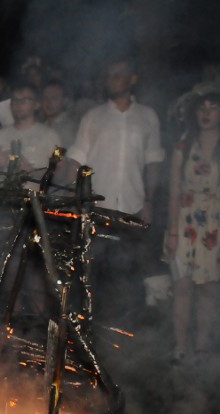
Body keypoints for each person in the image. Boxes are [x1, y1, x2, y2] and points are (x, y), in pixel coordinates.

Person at [65, 56, 165, 322]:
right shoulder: (93, 117)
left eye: (119, 75)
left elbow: (153, 161)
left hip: (133, 207)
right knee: (94, 272)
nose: (113, 80)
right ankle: (93, 327)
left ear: (132, 79)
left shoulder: (147, 117)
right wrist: (70, 194)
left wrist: (150, 201)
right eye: (109, 76)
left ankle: (127, 330)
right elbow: (76, 158)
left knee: (130, 271)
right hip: (98, 207)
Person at [166, 91, 220, 366]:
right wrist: (173, 232)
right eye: (202, 108)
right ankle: (179, 346)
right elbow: (174, 190)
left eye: (213, 108)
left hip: (218, 225)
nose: (206, 113)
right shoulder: (184, 145)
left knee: (209, 289)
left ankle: (201, 347)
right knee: (183, 286)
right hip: (186, 221)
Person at [0, 83, 62, 180]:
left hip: (35, 194)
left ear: (36, 105)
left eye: (24, 101)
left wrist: (31, 172)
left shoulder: (50, 136)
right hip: (4, 194)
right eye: (15, 100)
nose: (19, 104)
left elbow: (60, 177)